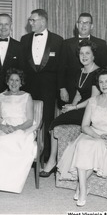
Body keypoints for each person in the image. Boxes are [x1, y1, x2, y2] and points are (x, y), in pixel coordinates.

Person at [57, 68, 107, 207]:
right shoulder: (93, 101)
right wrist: (97, 136)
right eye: (101, 82)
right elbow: (84, 126)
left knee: (90, 147)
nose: (104, 84)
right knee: (83, 145)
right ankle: (83, 190)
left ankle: (80, 188)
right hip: (91, 134)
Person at [40, 40, 100, 177]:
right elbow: (79, 93)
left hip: (92, 111)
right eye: (81, 53)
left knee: (54, 123)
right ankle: (54, 160)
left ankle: (51, 162)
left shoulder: (97, 73)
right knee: (55, 123)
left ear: (93, 56)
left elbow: (93, 99)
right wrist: (69, 107)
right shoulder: (81, 71)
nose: (84, 56)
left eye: (87, 53)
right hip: (80, 107)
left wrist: (75, 107)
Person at [20, 9, 63, 161]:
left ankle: (46, 156)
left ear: (43, 21)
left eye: (33, 20)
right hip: (29, 87)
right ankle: (28, 153)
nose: (30, 23)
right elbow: (22, 66)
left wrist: (61, 88)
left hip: (49, 87)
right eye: (30, 20)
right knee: (28, 119)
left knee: (47, 119)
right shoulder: (24, 40)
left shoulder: (58, 40)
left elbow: (60, 67)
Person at [58, 12, 107, 108]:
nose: (83, 25)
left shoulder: (101, 44)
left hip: (94, 90)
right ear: (77, 25)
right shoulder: (66, 43)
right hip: (71, 90)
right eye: (81, 22)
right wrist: (62, 88)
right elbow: (61, 67)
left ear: (91, 26)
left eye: (87, 23)